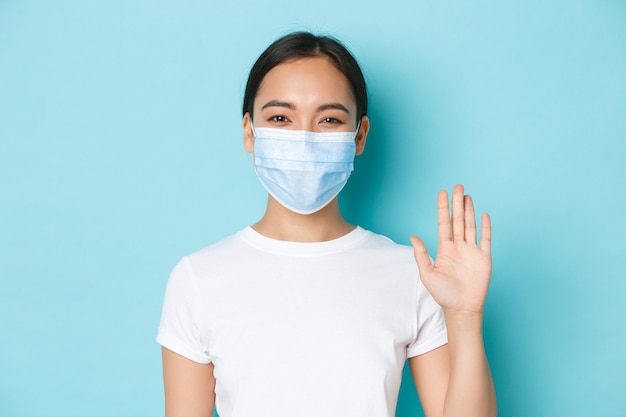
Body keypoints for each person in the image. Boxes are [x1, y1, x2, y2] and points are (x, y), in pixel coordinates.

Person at [157, 31, 497, 417]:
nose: (304, 138)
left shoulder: (413, 274)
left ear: (360, 136)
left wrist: (465, 318)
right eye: (281, 118)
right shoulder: (198, 279)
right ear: (249, 132)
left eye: (330, 119)